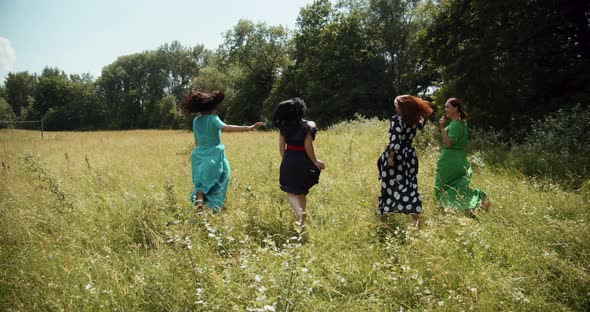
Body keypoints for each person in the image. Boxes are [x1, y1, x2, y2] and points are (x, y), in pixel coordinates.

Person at [179, 90, 263, 213]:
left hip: (199, 155)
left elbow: (196, 141)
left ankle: (200, 203)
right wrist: (248, 128)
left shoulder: (196, 121)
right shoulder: (213, 118)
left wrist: (200, 154)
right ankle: (216, 207)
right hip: (215, 154)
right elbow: (227, 127)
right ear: (212, 108)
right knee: (223, 176)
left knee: (201, 183)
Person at [377, 95, 433, 227]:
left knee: (389, 185)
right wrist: (418, 105)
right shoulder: (416, 120)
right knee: (410, 185)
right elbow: (424, 118)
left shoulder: (397, 120)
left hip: (397, 156)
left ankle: (384, 216)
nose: (395, 107)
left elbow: (395, 140)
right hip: (409, 155)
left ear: (402, 106)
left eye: (396, 105)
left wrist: (391, 157)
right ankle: (415, 219)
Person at [273, 98, 325, 232]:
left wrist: (286, 161)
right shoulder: (308, 126)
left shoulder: (283, 127)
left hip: (290, 158)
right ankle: (301, 224)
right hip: (305, 160)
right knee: (301, 191)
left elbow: (281, 147)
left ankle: (299, 213)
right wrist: (315, 161)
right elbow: (308, 146)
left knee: (290, 191)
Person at [434, 97, 490, 211]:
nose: (445, 109)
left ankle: (478, 196)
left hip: (450, 160)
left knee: (441, 187)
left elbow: (448, 143)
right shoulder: (463, 123)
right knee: (456, 187)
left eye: (447, 107)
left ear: (455, 108)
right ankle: (475, 201)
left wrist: (442, 128)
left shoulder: (455, 124)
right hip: (458, 158)